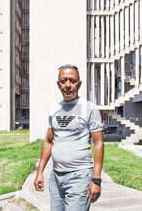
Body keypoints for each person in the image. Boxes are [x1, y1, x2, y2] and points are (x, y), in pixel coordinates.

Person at [34, 64, 104, 210]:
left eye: (72, 81)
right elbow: (48, 141)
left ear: (79, 83)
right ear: (58, 84)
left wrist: (96, 180)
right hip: (56, 177)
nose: (67, 85)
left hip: (80, 176)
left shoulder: (89, 108)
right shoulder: (54, 109)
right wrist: (40, 171)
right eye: (63, 81)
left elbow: (98, 143)